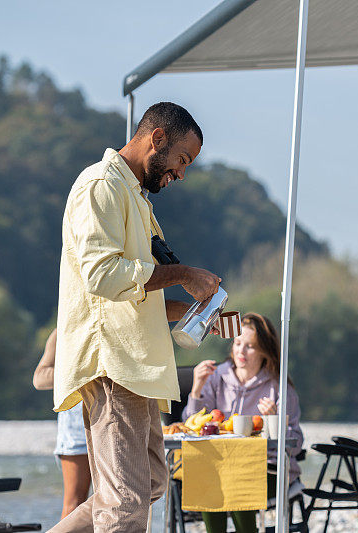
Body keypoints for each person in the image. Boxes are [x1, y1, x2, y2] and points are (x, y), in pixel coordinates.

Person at [51, 102, 222, 532]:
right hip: (114, 365)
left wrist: (192, 309)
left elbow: (133, 295)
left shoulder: (134, 198)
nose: (182, 173)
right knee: (126, 501)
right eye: (182, 159)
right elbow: (103, 276)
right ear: (157, 138)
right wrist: (182, 273)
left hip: (137, 366)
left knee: (145, 484)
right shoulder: (100, 186)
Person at [182, 312, 304, 533]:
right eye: (238, 343)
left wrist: (274, 420)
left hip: (268, 471)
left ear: (264, 351)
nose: (241, 350)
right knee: (211, 478)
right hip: (219, 465)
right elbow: (190, 427)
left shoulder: (280, 388)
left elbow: (295, 444)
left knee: (238, 481)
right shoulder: (217, 377)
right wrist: (196, 389)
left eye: (250, 346)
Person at [33, 328, 92, 519]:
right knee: (75, 503)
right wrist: (87, 371)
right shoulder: (63, 329)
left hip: (112, 419)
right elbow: (40, 378)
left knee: (115, 501)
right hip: (76, 426)